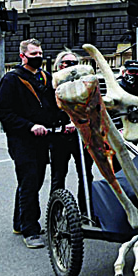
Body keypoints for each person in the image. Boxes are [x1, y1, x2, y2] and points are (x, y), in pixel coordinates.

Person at [0, 38, 62, 249]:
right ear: (22, 56)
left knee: (31, 181)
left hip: (43, 140)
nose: (38, 57)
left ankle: (20, 221)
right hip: (22, 140)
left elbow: (53, 106)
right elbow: (3, 112)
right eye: (33, 54)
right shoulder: (12, 80)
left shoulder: (45, 77)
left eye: (40, 53)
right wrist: (29, 126)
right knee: (30, 182)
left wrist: (64, 121)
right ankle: (30, 230)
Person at [50, 50, 94, 215]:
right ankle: (56, 213)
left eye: (74, 63)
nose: (70, 67)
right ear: (59, 65)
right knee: (58, 176)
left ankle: (87, 211)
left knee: (85, 174)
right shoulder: (52, 83)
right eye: (67, 63)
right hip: (60, 135)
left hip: (81, 135)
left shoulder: (84, 85)